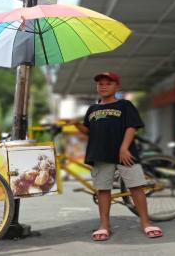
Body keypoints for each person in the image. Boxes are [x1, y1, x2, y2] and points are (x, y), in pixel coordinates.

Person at [69, 71, 162, 241]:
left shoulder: (125, 105)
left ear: (117, 86)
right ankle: (104, 225)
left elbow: (131, 126)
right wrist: (76, 125)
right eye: (100, 84)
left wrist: (124, 148)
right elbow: (89, 131)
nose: (103, 86)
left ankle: (146, 222)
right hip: (100, 154)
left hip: (125, 154)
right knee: (103, 190)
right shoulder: (92, 109)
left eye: (108, 83)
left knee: (136, 187)